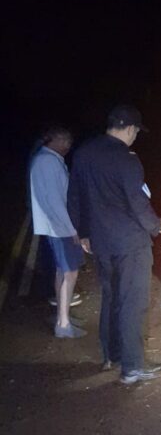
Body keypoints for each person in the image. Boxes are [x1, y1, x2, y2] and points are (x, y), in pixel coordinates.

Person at [68, 105, 161, 385]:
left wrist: (84, 233)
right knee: (132, 302)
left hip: (101, 242)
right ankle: (133, 366)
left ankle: (111, 354)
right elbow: (137, 202)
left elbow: (74, 198)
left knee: (111, 297)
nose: (136, 135)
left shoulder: (83, 154)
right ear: (128, 128)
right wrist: (156, 225)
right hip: (130, 242)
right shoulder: (126, 159)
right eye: (136, 130)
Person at [29, 126, 85, 338]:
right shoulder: (48, 162)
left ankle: (63, 316)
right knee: (69, 273)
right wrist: (72, 229)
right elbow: (56, 201)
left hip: (55, 227)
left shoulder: (46, 160)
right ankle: (63, 324)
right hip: (59, 228)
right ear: (56, 140)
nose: (69, 145)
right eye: (66, 140)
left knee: (62, 271)